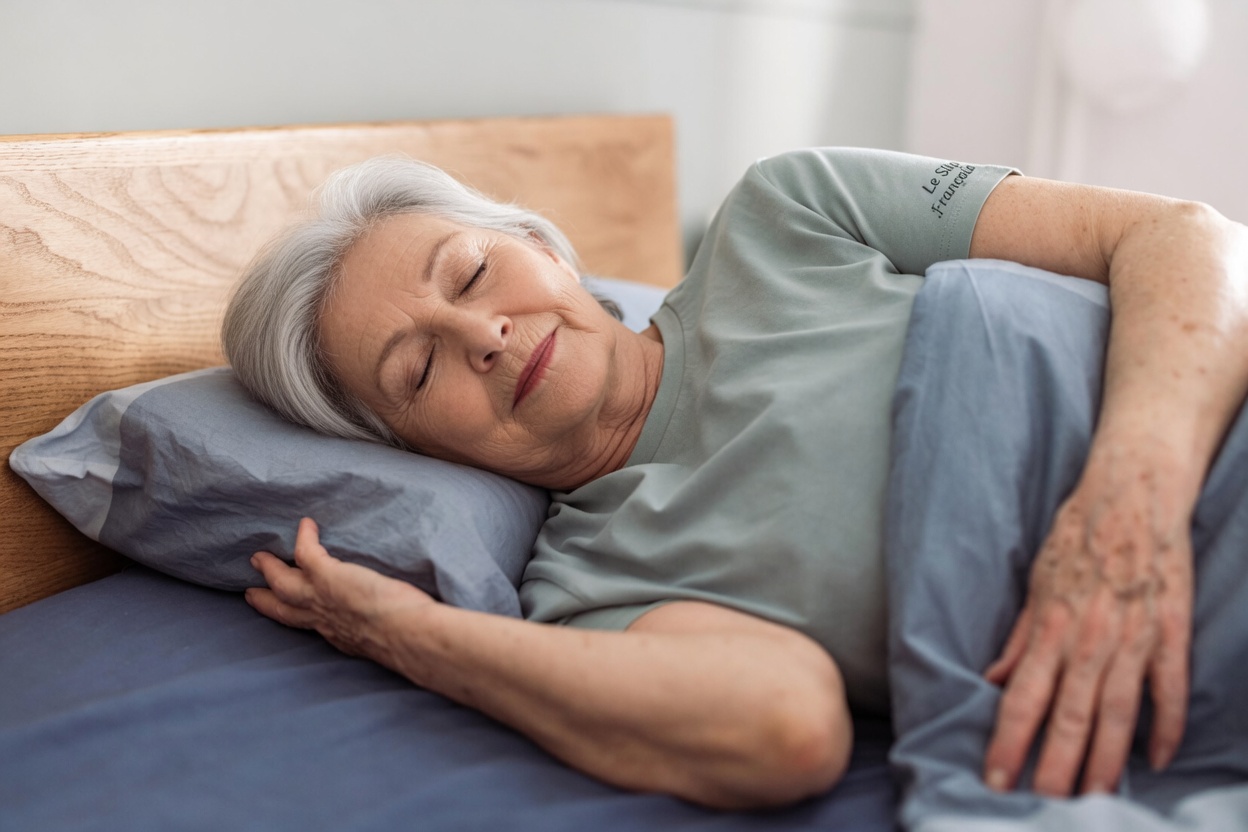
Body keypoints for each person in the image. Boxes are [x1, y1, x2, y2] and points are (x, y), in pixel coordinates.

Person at [221, 149, 1248, 810]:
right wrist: (411, 635)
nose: (479, 333)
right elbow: (784, 730)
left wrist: (1134, 491)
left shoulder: (784, 210)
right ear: (414, 452)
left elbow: (1177, 235)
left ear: (544, 249)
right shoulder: (592, 589)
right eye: (419, 369)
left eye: (474, 273)